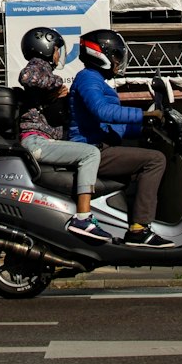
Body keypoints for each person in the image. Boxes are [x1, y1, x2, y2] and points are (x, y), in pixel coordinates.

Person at [68, 29, 170, 247]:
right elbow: (102, 112)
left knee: (145, 160)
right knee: (155, 160)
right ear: (99, 54)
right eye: (115, 55)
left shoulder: (97, 81)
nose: (117, 61)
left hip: (101, 146)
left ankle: (129, 222)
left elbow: (113, 126)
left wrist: (143, 129)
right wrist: (143, 115)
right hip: (93, 149)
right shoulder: (88, 78)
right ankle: (139, 229)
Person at [15, 26, 113, 243]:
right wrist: (57, 85)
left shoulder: (42, 81)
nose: (59, 55)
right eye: (57, 49)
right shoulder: (37, 66)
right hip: (36, 141)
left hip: (40, 140)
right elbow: (27, 77)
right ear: (47, 47)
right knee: (90, 154)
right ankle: (83, 218)